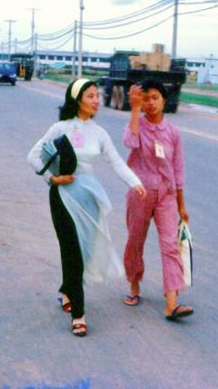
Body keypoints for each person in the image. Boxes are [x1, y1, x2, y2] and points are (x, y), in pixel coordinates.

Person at [27, 78, 146, 337]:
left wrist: (135, 182)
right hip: (63, 197)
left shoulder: (99, 133)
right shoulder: (60, 127)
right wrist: (52, 178)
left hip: (89, 198)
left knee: (83, 251)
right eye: (90, 96)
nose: (96, 100)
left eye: (97, 96)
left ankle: (66, 290)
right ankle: (78, 314)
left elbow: (116, 162)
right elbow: (33, 155)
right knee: (71, 252)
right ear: (77, 98)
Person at [122, 79, 193, 322]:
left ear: (164, 100)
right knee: (135, 240)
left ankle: (171, 303)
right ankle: (134, 287)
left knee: (170, 245)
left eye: (155, 98)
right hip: (140, 192)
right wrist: (134, 109)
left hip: (166, 196)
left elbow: (178, 170)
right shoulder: (137, 125)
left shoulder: (173, 133)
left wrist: (182, 205)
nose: (151, 103)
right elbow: (129, 143)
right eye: (146, 98)